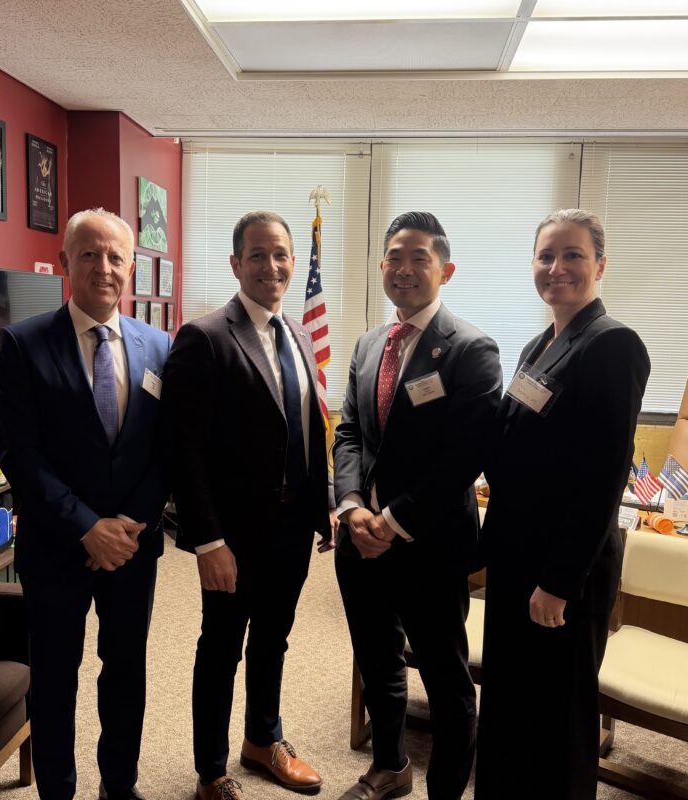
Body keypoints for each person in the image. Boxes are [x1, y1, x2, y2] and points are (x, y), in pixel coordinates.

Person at [0, 208, 171, 800]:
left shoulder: (159, 346)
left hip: (131, 549)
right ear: (66, 261)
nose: (104, 267)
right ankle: (58, 792)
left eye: (116, 256)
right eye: (89, 254)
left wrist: (127, 528)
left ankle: (119, 787)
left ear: (130, 267)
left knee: (125, 674)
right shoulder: (22, 342)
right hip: (55, 546)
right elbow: (20, 453)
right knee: (55, 679)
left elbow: (163, 450)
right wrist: (86, 527)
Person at [474, 209, 650, 800]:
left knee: (559, 717)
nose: (557, 268)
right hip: (516, 556)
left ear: (600, 265)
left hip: (562, 569)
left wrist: (558, 581)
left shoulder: (613, 345)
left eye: (572, 255)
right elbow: (505, 444)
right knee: (509, 700)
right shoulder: (538, 344)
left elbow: (605, 475)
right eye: (546, 256)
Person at [161, 211, 336, 800]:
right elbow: (182, 450)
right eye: (258, 255)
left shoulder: (298, 336)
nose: (273, 266)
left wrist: (327, 504)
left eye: (281, 254)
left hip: (291, 528)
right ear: (236, 264)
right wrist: (208, 540)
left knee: (274, 640)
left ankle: (264, 740)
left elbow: (312, 429)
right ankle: (211, 770)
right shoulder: (206, 336)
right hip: (232, 538)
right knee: (221, 649)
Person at [333, 211, 502, 800]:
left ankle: (446, 792)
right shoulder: (368, 342)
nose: (404, 270)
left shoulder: (471, 349)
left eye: (419, 259)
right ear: (382, 266)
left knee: (445, 676)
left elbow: (465, 455)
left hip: (429, 544)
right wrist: (351, 506)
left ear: (445, 270)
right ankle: (390, 765)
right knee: (378, 661)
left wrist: (394, 518)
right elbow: (349, 431)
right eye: (394, 258)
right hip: (360, 541)